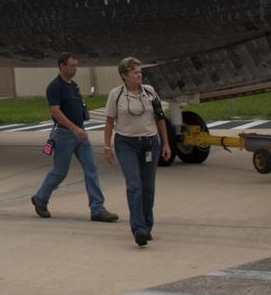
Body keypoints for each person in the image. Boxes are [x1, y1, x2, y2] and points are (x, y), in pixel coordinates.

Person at [30, 53, 118, 222]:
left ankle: (97, 209)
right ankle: (40, 199)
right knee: (60, 172)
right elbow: (55, 110)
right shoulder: (55, 86)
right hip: (64, 134)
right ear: (62, 66)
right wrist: (74, 128)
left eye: (76, 66)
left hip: (80, 133)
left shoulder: (73, 86)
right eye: (71, 66)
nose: (75, 69)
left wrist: (80, 127)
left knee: (91, 169)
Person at [103, 57, 172, 246]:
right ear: (124, 76)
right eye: (135, 72)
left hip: (150, 143)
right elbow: (109, 122)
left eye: (140, 71)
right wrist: (107, 147)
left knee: (148, 187)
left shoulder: (149, 92)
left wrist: (166, 143)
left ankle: (147, 226)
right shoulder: (116, 95)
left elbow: (160, 118)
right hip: (126, 144)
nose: (139, 74)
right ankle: (139, 229)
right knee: (134, 186)